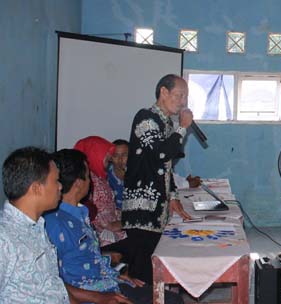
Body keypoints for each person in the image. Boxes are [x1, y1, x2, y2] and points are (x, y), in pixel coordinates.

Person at [0, 147, 144, 304]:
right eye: (55, 181)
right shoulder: (4, 238)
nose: (60, 186)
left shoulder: (36, 227)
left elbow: (53, 285)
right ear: (36, 188)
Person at [45, 149, 185, 304]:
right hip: (88, 298)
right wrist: (100, 296)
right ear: (80, 182)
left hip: (108, 283)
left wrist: (118, 273)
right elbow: (54, 280)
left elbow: (87, 258)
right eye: (88, 173)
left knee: (173, 303)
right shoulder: (54, 224)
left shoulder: (78, 213)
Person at [121, 74, 193, 283]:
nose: (183, 102)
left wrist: (172, 195)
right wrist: (183, 127)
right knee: (142, 268)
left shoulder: (166, 123)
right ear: (163, 92)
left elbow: (166, 167)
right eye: (179, 96)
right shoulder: (145, 118)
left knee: (153, 265)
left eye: (185, 97)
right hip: (141, 209)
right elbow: (161, 154)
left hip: (157, 208)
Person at [74, 136, 126, 247]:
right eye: (107, 157)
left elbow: (109, 208)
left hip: (112, 226)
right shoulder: (87, 181)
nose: (111, 160)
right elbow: (87, 212)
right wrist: (110, 224)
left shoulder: (100, 178)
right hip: (99, 233)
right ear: (95, 155)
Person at [107, 139, 128, 210]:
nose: (120, 159)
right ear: (110, 158)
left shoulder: (138, 175)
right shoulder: (104, 177)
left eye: (124, 155)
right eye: (116, 155)